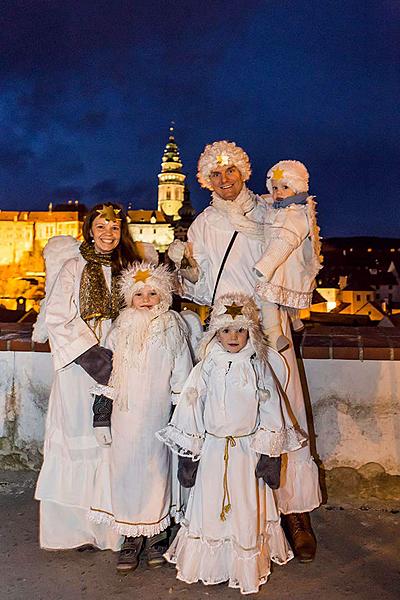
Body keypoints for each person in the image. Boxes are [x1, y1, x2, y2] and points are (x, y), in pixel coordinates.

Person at [168, 141, 321, 562]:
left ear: (244, 172)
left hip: (267, 324)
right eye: (215, 175)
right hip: (224, 330)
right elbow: (199, 287)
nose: (224, 179)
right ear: (205, 181)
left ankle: (294, 513)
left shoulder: (269, 212)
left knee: (282, 408)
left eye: (230, 171)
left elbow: (296, 252)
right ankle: (230, 515)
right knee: (225, 412)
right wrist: (186, 267)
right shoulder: (202, 224)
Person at [157, 293, 305, 595]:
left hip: (247, 453)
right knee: (211, 507)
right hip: (212, 450)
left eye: (240, 330)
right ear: (216, 333)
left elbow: (271, 408)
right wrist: (189, 455)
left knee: (245, 508)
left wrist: (270, 455)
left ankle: (242, 566)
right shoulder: (206, 367)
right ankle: (212, 565)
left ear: (250, 331)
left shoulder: (256, 366)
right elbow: (190, 407)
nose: (233, 337)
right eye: (226, 330)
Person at [34, 203, 149, 551]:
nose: (108, 234)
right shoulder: (73, 266)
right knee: (77, 436)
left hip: (119, 359)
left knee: (112, 441)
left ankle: (109, 529)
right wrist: (90, 354)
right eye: (101, 227)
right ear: (89, 230)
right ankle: (72, 530)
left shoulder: (129, 269)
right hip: (79, 365)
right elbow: (56, 316)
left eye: (114, 228)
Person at [88, 262, 193, 572]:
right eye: (139, 294)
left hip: (159, 419)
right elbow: (105, 375)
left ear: (163, 295)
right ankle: (131, 536)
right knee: (126, 474)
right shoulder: (118, 330)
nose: (146, 299)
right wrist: (101, 416)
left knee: (157, 472)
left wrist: (180, 418)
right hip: (124, 419)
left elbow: (182, 376)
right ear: (128, 298)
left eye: (152, 292)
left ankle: (157, 534)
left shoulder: (172, 328)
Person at [254, 160, 322, 351]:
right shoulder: (286, 208)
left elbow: (284, 241)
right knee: (285, 292)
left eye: (284, 187)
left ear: (297, 189)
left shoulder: (294, 215)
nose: (278, 193)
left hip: (279, 264)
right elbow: (270, 203)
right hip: (287, 266)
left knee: (267, 296)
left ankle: (274, 334)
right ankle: (295, 319)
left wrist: (264, 266)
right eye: (274, 187)